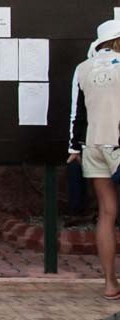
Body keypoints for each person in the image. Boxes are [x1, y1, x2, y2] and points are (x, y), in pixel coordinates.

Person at [68, 19, 120, 302]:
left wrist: (73, 148)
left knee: (107, 213)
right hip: (118, 143)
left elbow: (77, 113)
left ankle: (110, 283)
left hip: (93, 146)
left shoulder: (83, 68)